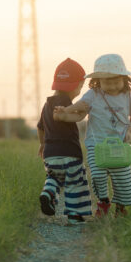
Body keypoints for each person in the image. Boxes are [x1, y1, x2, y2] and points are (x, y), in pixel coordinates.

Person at [53, 53, 131, 217]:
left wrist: (129, 130)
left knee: (122, 179)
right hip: (96, 144)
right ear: (97, 81)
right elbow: (82, 105)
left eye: (117, 81)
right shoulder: (94, 95)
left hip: (119, 146)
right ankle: (103, 201)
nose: (113, 85)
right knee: (97, 175)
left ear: (124, 79)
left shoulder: (128, 97)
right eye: (107, 81)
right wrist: (66, 110)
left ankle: (121, 207)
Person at [37, 58, 94, 225]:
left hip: (50, 154)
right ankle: (75, 216)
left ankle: (48, 193)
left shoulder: (46, 105)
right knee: (76, 183)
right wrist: (84, 108)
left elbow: (40, 127)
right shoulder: (67, 104)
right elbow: (79, 112)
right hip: (70, 152)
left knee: (54, 177)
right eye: (80, 87)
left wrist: (42, 144)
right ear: (76, 86)